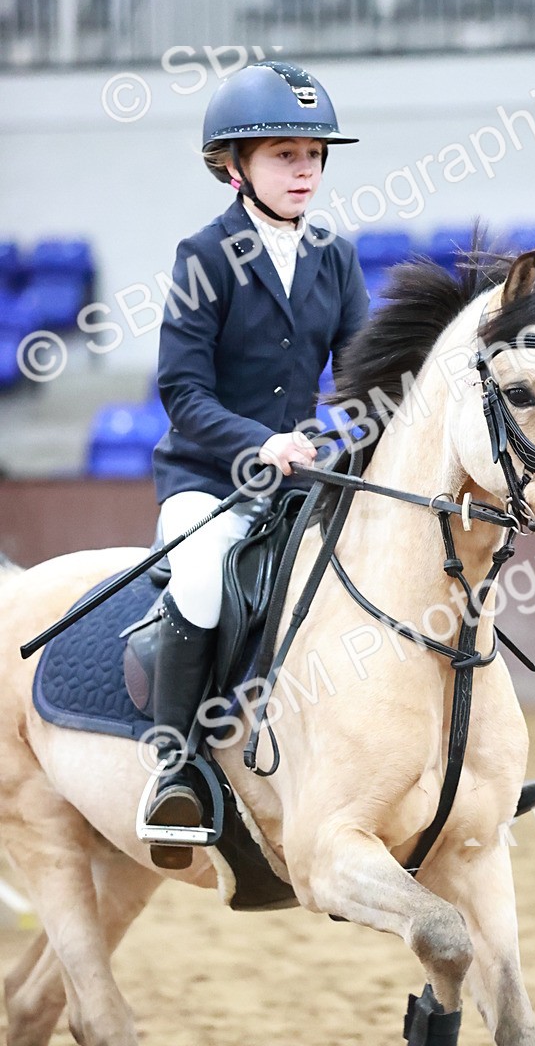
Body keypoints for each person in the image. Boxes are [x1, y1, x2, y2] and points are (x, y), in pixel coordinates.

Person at [142, 60, 369, 867]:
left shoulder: (336, 258)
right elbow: (182, 390)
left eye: (312, 154)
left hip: (300, 485)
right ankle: (179, 767)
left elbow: (362, 374)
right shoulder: (204, 254)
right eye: (283, 154)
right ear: (235, 166)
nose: (304, 169)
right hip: (208, 479)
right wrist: (259, 442)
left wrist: (355, 430)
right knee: (202, 575)